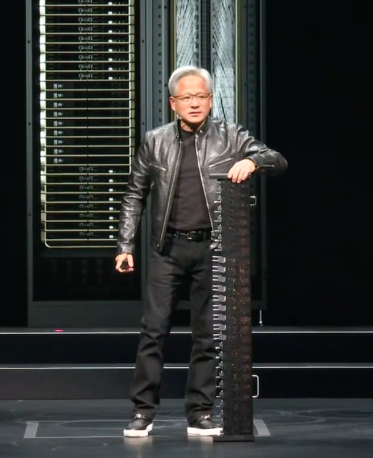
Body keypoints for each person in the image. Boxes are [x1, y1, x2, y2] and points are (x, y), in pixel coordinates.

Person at [114, 65, 288, 437]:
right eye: (187, 97)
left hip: (213, 248)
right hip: (167, 249)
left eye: (201, 96)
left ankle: (200, 412)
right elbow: (133, 195)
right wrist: (125, 244)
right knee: (153, 331)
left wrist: (252, 160)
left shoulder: (231, 136)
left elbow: (278, 159)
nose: (194, 103)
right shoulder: (155, 141)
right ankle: (143, 411)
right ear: (173, 103)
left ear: (210, 100)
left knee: (207, 334)